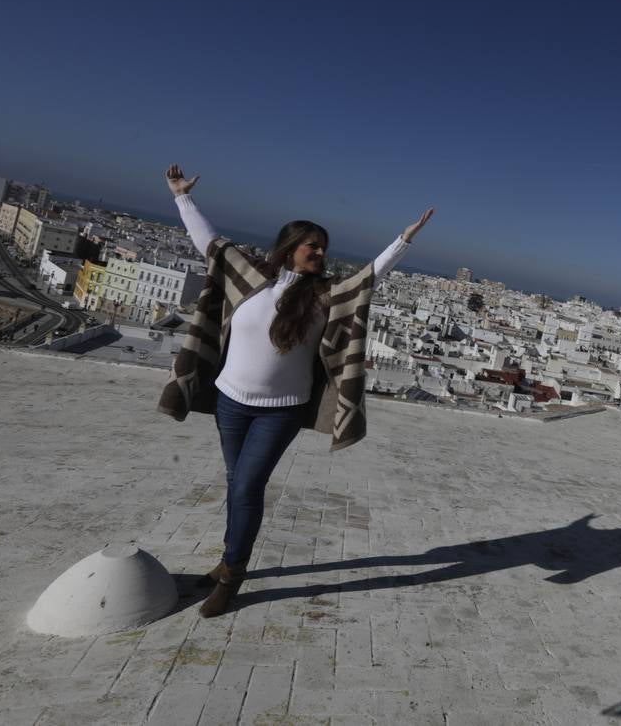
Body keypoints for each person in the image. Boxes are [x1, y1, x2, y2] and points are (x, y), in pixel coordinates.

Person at [157, 164, 433, 617]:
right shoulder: (249, 279)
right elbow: (209, 242)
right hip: (230, 401)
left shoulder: (324, 296)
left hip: (279, 411)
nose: (321, 253)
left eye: (324, 248)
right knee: (235, 483)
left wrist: (403, 241)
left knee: (247, 485)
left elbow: (369, 279)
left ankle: (231, 576)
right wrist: (181, 197)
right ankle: (225, 561)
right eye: (313, 246)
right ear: (289, 247)